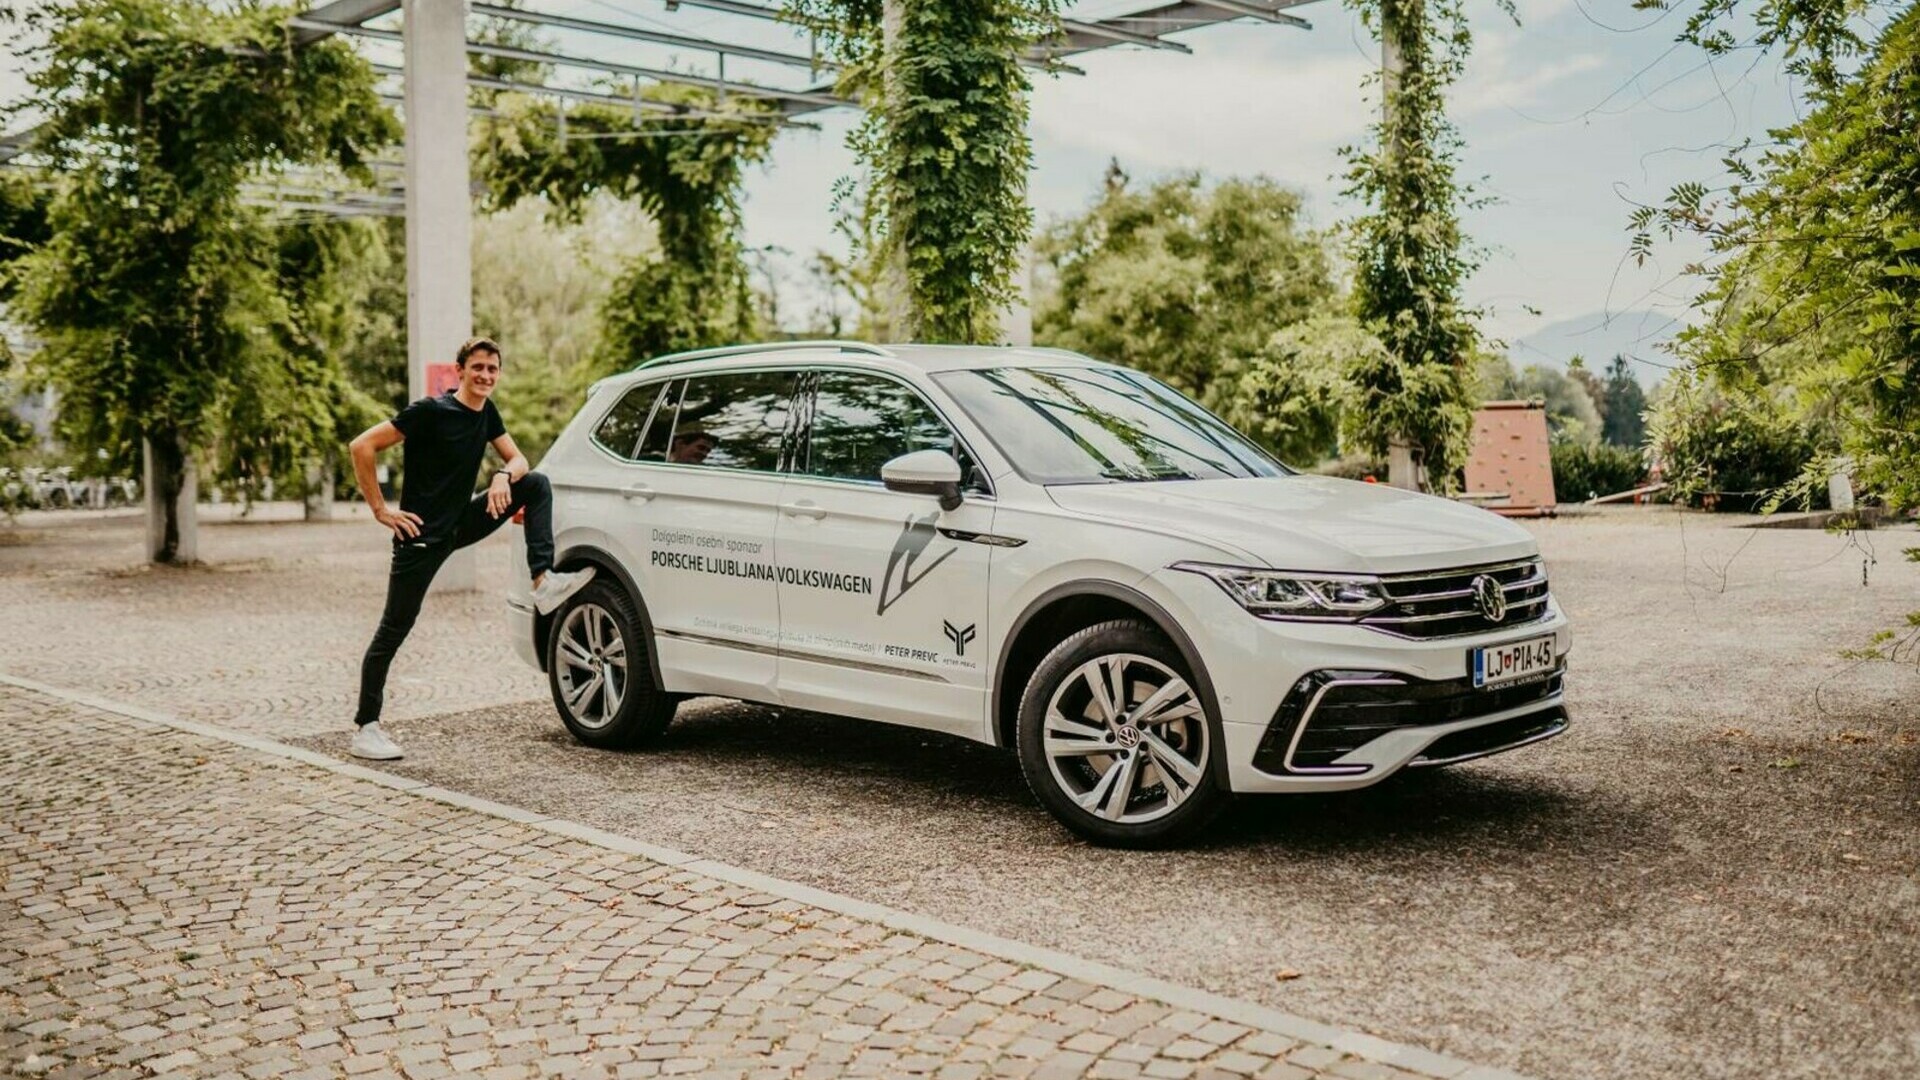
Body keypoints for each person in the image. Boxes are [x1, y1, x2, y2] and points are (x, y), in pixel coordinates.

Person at [345, 336, 594, 761]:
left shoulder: (487, 413)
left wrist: (502, 476)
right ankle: (366, 728)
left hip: (460, 524)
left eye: (492, 369)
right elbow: (361, 446)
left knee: (535, 484)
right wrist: (381, 511)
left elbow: (520, 461)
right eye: (477, 367)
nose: (485, 375)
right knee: (394, 629)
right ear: (460, 371)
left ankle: (543, 580)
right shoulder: (430, 411)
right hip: (420, 536)